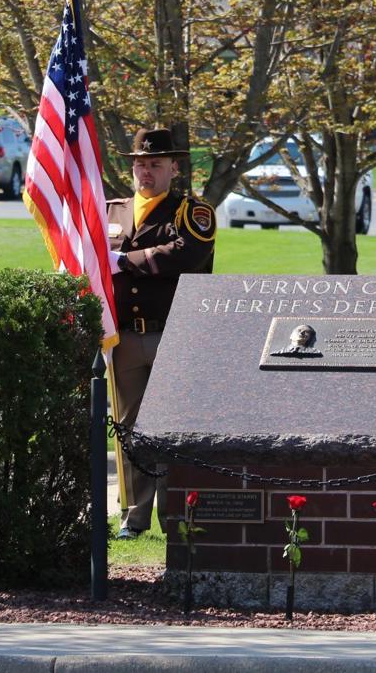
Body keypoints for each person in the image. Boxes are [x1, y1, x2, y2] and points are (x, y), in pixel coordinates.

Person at [106, 127, 216, 539]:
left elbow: (188, 253)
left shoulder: (191, 211)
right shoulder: (110, 210)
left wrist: (125, 261)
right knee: (128, 427)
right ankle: (134, 517)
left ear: (174, 167)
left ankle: (175, 516)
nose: (146, 171)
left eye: (155, 164)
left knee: (172, 427)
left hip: (175, 334)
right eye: (140, 164)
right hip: (124, 337)